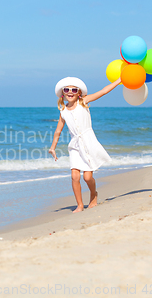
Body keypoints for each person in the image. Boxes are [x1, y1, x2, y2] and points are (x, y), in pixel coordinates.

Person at [49, 77, 121, 213]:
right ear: (63, 93)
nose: (70, 92)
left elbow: (103, 91)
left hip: (88, 143)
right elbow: (58, 131)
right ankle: (80, 205)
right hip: (75, 146)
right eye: (67, 89)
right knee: (74, 176)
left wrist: (119, 80)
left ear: (79, 93)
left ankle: (94, 195)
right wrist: (53, 147)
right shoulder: (63, 111)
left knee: (87, 177)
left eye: (74, 90)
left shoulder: (84, 102)